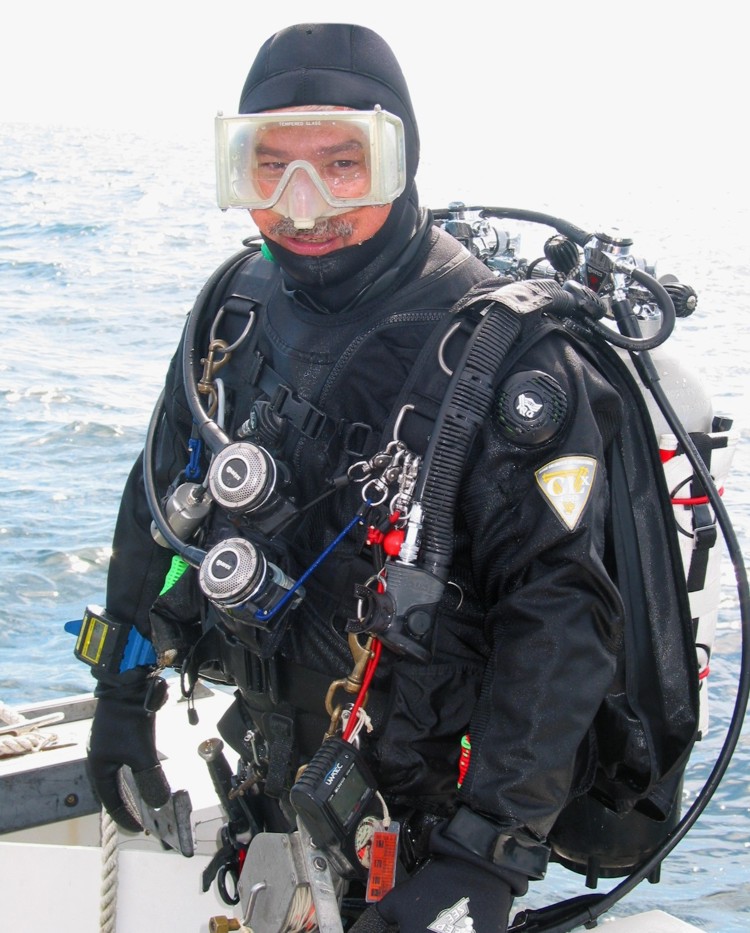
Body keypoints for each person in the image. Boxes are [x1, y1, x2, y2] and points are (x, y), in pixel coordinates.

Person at [84, 22, 631, 933]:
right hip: (271, 778)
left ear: (400, 160)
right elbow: (157, 504)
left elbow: (560, 613)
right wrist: (120, 693)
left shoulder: (505, 359)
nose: (302, 205)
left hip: (424, 823)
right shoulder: (233, 308)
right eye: (270, 168)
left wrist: (484, 851)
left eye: (343, 165)